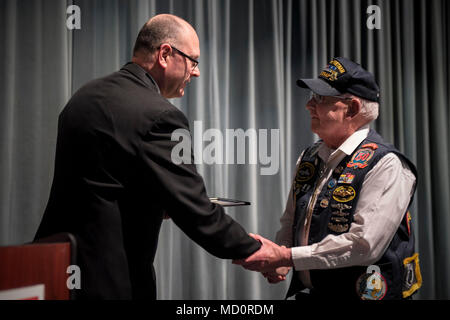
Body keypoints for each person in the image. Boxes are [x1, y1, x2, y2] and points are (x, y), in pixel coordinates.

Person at [34, 14, 262, 300]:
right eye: (194, 61)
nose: (197, 73)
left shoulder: (84, 96)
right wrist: (256, 249)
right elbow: (194, 211)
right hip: (110, 281)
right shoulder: (161, 116)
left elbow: (102, 184)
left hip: (51, 270)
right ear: (165, 54)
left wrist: (151, 201)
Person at [234, 57, 422, 300]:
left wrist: (288, 256)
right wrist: (280, 254)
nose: (309, 105)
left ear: (352, 109)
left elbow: (364, 245)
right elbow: (291, 220)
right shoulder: (309, 157)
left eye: (320, 99)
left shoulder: (387, 164)